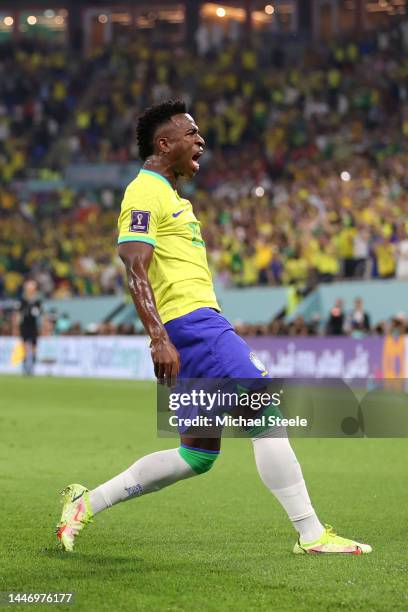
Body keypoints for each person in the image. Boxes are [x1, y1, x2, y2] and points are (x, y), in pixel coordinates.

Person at [56, 100, 371, 555]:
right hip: (192, 325)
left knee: (196, 455)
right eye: (191, 133)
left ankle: (87, 502)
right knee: (265, 414)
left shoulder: (172, 197)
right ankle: (311, 534)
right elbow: (134, 266)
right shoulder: (145, 191)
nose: (200, 140)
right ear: (164, 144)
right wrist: (159, 337)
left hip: (195, 326)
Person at [13, 279, 42, 375]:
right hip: (24, 325)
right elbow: (17, 313)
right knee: (25, 346)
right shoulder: (22, 300)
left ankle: (32, 367)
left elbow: (40, 313)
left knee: (34, 346)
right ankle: (25, 367)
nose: (31, 289)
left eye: (32, 287)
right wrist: (16, 327)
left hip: (33, 325)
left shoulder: (37, 300)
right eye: (29, 287)